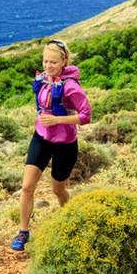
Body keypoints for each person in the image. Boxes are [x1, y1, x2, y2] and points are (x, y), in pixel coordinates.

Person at [11, 39, 91, 252]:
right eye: (45, 61)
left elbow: (86, 116)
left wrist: (58, 120)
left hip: (64, 144)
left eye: (53, 62)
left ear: (64, 61)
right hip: (41, 138)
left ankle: (71, 221)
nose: (48, 66)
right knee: (27, 186)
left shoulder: (71, 86)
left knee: (58, 191)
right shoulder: (44, 80)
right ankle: (23, 232)